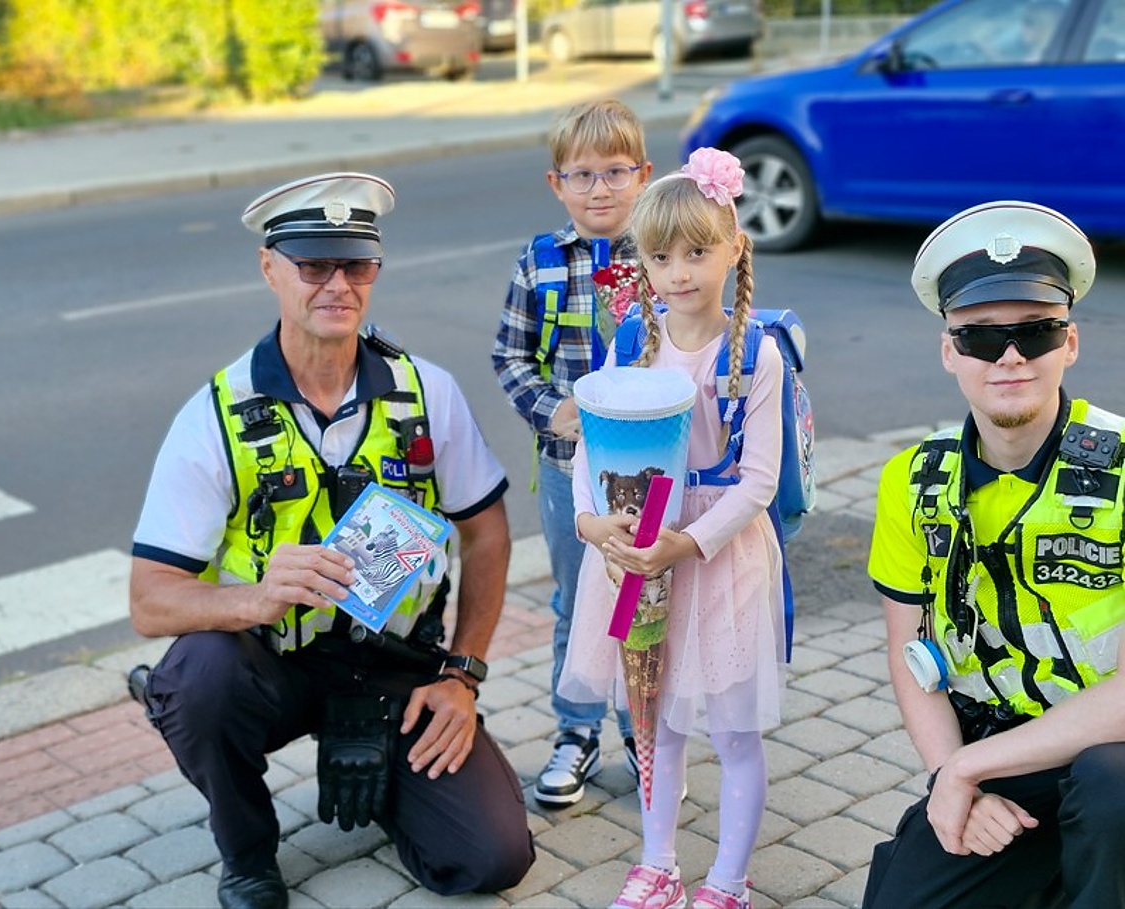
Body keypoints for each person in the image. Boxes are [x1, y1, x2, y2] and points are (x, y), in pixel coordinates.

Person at [128, 172, 535, 909]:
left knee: (491, 858)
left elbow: (486, 533)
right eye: (314, 265)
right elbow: (151, 601)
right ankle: (247, 853)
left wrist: (463, 675)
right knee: (199, 680)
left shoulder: (426, 391)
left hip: (395, 666)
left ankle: (381, 764)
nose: (338, 285)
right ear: (269, 268)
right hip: (270, 663)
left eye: (357, 265)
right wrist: (255, 597)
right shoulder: (215, 414)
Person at [862, 200, 1125, 908]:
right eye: (980, 337)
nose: (1009, 357)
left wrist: (964, 769)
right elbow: (908, 654)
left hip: (1112, 751)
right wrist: (956, 780)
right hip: (1005, 747)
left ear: (1070, 342)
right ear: (950, 351)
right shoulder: (912, 480)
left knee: (1112, 796)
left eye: (1035, 332)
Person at [559, 148, 788, 909]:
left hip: (717, 556)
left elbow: (758, 481)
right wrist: (592, 524)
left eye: (697, 252)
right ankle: (658, 864)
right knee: (653, 716)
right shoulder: (632, 341)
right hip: (632, 551)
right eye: (661, 257)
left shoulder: (757, 356)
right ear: (643, 263)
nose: (679, 272)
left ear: (734, 249)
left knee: (733, 729)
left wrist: (687, 542)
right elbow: (591, 446)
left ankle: (729, 880)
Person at [491, 99, 652, 807]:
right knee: (575, 599)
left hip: (652, 471)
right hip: (568, 471)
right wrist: (555, 410)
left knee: (642, 599)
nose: (600, 189)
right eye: (582, 175)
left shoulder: (663, 253)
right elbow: (510, 355)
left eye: (616, 171)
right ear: (557, 185)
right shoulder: (541, 261)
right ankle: (576, 730)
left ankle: (643, 734)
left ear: (643, 174)